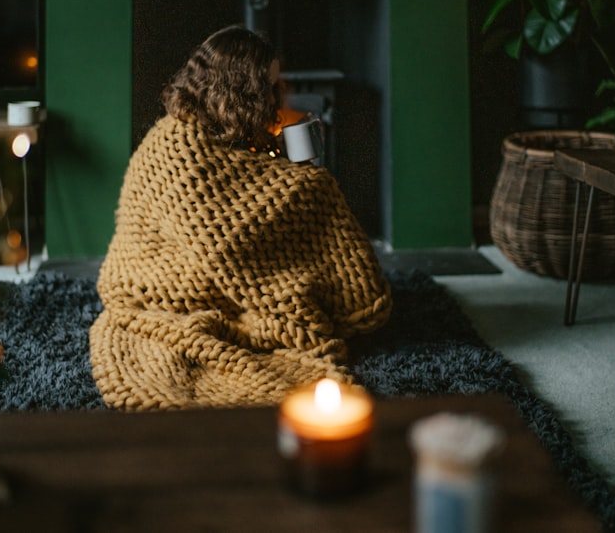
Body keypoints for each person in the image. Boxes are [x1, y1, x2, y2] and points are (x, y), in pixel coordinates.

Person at [89, 25, 392, 410]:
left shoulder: (194, 130)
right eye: (270, 86)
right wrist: (308, 177)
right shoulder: (180, 152)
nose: (278, 94)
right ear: (240, 92)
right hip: (169, 279)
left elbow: (244, 181)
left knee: (309, 189)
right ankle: (339, 290)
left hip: (191, 266)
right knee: (316, 191)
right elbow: (223, 235)